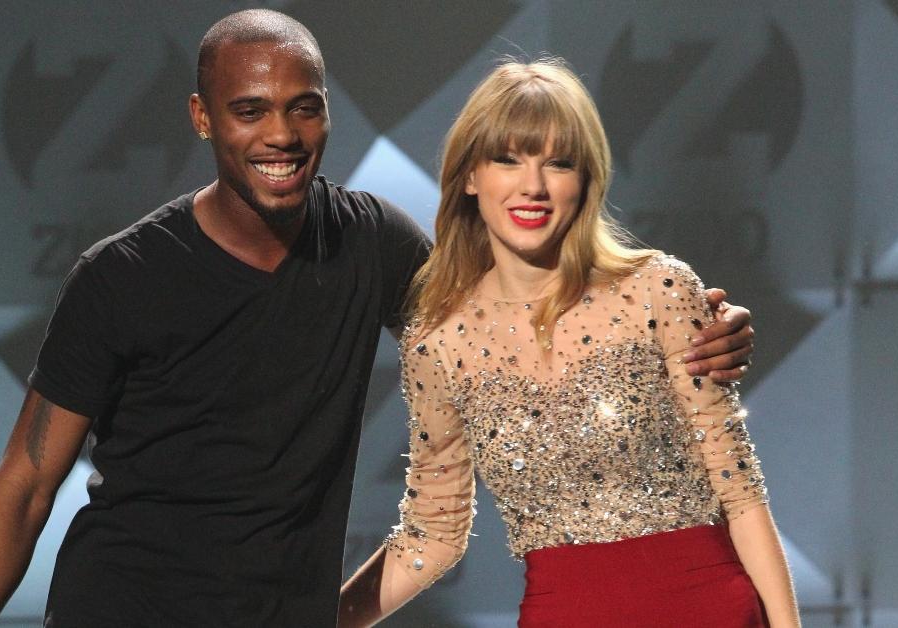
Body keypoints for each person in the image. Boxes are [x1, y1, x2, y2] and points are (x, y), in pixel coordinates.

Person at [0, 11, 756, 627]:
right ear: (201, 117)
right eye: (250, 110)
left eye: (304, 108)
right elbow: (23, 487)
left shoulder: (372, 245)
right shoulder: (121, 277)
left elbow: (517, 320)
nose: (281, 136)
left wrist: (689, 322)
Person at [338, 58, 797, 627]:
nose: (533, 185)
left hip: (708, 609)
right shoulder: (437, 342)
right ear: (469, 176)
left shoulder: (659, 290)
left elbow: (742, 495)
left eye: (557, 163)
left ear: (586, 180)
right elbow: (433, 533)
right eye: (507, 159)